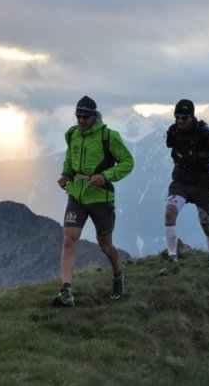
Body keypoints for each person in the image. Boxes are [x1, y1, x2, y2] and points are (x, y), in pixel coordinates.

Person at [53, 96, 134, 307]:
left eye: (85, 117)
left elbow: (127, 162)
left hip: (101, 198)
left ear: (94, 116)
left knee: (105, 246)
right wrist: (65, 173)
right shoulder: (72, 134)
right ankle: (66, 291)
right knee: (69, 238)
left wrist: (106, 176)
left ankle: (117, 275)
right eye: (78, 116)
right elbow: (70, 156)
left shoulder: (109, 136)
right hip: (76, 195)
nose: (80, 121)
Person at [160, 99, 209, 282]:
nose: (181, 121)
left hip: (203, 184)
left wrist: (197, 156)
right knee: (169, 213)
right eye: (177, 117)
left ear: (192, 117)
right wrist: (177, 154)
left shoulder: (203, 131)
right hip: (180, 181)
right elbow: (172, 147)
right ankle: (172, 261)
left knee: (206, 224)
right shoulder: (173, 130)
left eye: (185, 117)